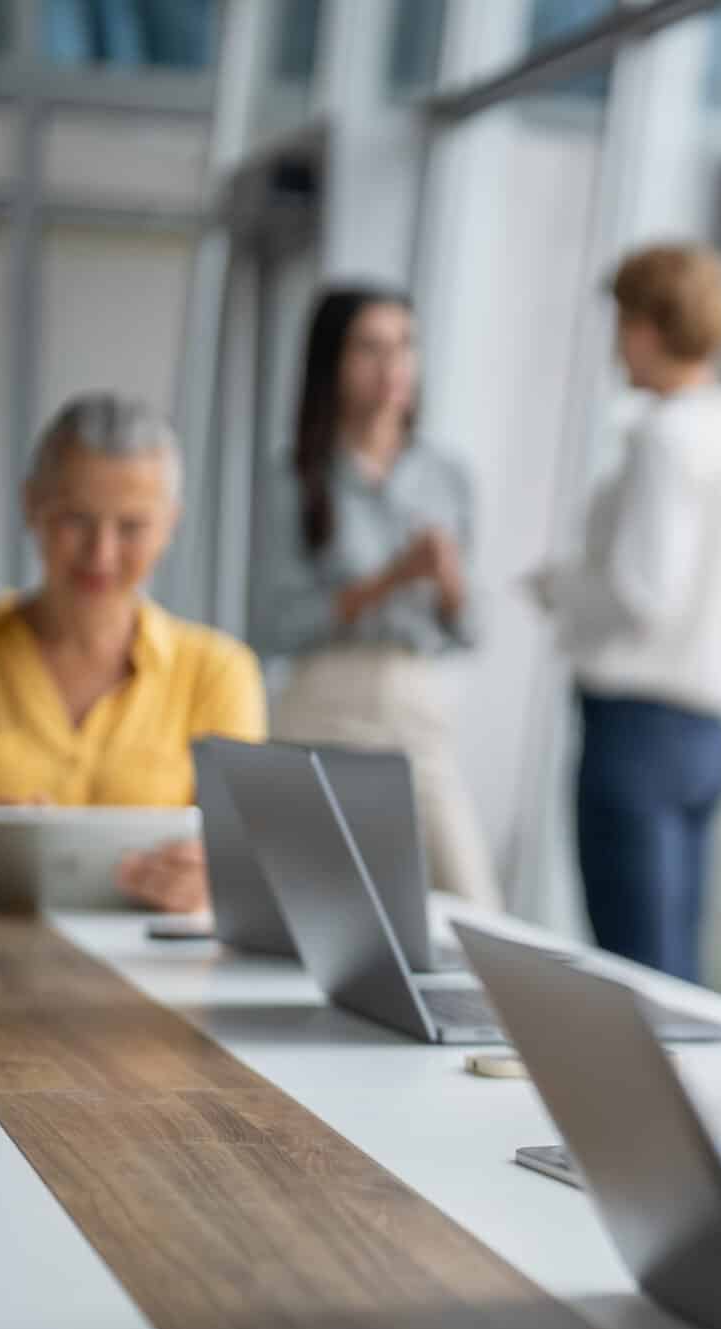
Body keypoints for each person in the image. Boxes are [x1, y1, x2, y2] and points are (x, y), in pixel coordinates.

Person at [0, 393, 263, 912]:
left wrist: (216, 880)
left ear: (170, 525)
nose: (101, 553)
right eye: (75, 519)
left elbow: (243, 856)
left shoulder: (219, 672)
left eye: (131, 527)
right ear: (31, 504)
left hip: (157, 971)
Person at [529, 242, 721, 982]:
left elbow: (645, 591)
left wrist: (558, 585)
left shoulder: (666, 438)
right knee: (672, 969)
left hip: (637, 730)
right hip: (707, 736)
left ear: (643, 326)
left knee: (632, 972)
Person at [249, 284, 500, 910]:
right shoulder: (295, 478)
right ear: (333, 362)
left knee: (473, 901)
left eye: (403, 347)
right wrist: (386, 580)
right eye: (369, 349)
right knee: (308, 909)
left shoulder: (447, 476)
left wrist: (448, 581)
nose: (391, 368)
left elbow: (469, 630)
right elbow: (275, 624)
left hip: (413, 703)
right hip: (322, 705)